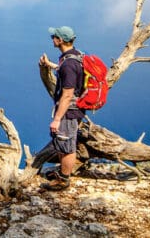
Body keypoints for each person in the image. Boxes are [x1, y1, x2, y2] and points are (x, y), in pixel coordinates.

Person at [38, 26, 86, 191]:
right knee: (63, 141)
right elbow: (64, 72)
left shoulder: (69, 63)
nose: (52, 38)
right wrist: (48, 64)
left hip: (69, 110)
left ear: (60, 40)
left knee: (66, 145)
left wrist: (57, 119)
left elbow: (67, 94)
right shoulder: (75, 56)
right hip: (74, 108)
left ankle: (63, 180)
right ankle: (62, 173)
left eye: (54, 36)